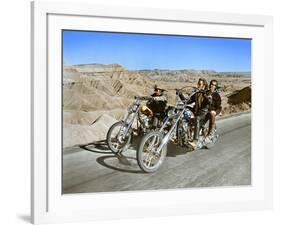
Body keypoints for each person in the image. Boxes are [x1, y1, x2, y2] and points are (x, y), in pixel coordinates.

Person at [179, 78, 211, 149]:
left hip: (203, 112)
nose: (198, 85)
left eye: (200, 84)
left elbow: (209, 101)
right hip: (196, 110)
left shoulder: (207, 92)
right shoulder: (196, 94)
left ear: (204, 85)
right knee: (182, 109)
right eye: (198, 84)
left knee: (197, 118)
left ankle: (195, 141)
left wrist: (205, 94)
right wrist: (180, 94)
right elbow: (187, 101)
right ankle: (179, 135)